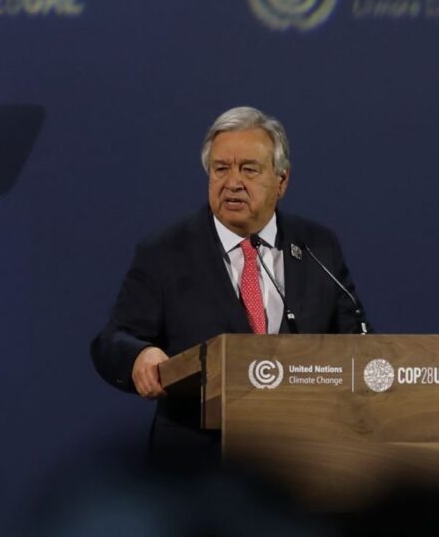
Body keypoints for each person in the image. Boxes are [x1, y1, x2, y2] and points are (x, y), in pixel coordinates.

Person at [91, 106, 368, 465]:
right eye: (221, 169)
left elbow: (358, 343)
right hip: (198, 466)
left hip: (304, 460)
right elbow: (113, 339)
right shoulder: (166, 252)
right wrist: (139, 356)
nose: (233, 182)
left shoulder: (318, 247)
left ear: (282, 181)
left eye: (249, 169)